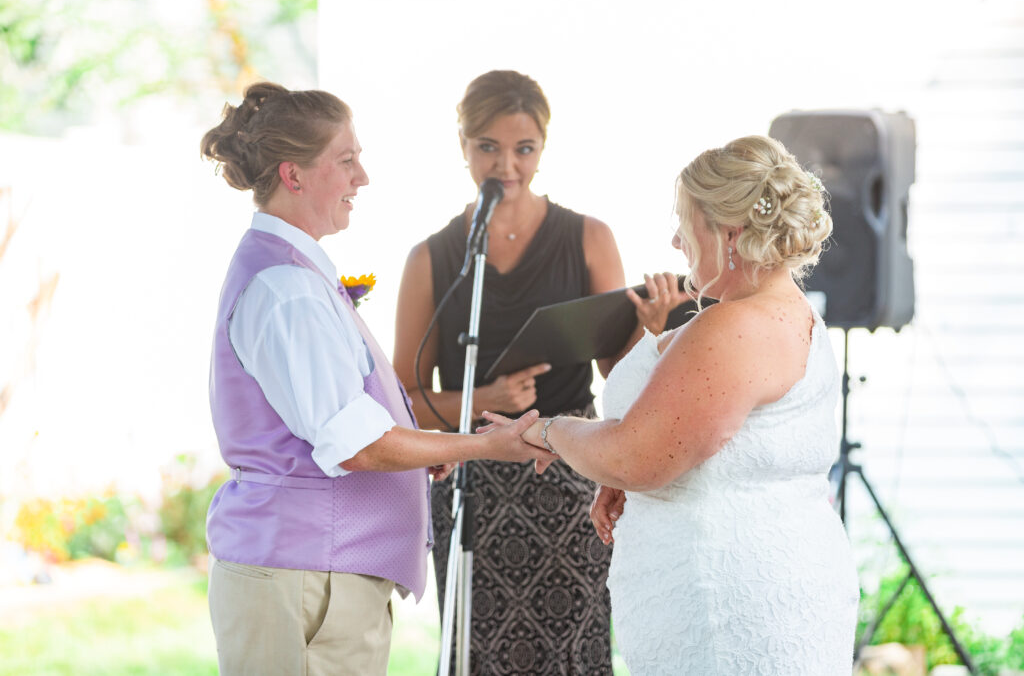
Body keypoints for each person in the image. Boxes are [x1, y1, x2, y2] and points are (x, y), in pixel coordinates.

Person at [200, 82, 555, 676]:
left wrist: (422, 453)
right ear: (293, 175)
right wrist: (485, 445)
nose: (361, 177)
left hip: (319, 578)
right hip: (305, 582)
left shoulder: (296, 274)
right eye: (346, 161)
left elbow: (348, 422)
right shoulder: (287, 291)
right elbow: (358, 443)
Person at [485, 135, 861, 674]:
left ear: (730, 234)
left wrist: (550, 430)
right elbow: (702, 445)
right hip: (766, 579)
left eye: (687, 225)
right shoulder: (790, 312)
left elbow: (635, 457)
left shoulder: (734, 326)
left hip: (725, 604)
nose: (676, 241)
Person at [393, 69, 683, 675]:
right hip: (473, 483)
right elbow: (405, 399)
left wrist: (651, 330)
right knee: (478, 650)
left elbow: (617, 372)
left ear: (543, 148)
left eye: (523, 149)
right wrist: (485, 397)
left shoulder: (587, 238)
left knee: (571, 651)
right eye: (488, 148)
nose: (507, 166)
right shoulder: (431, 257)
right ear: (464, 146)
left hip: (570, 478)